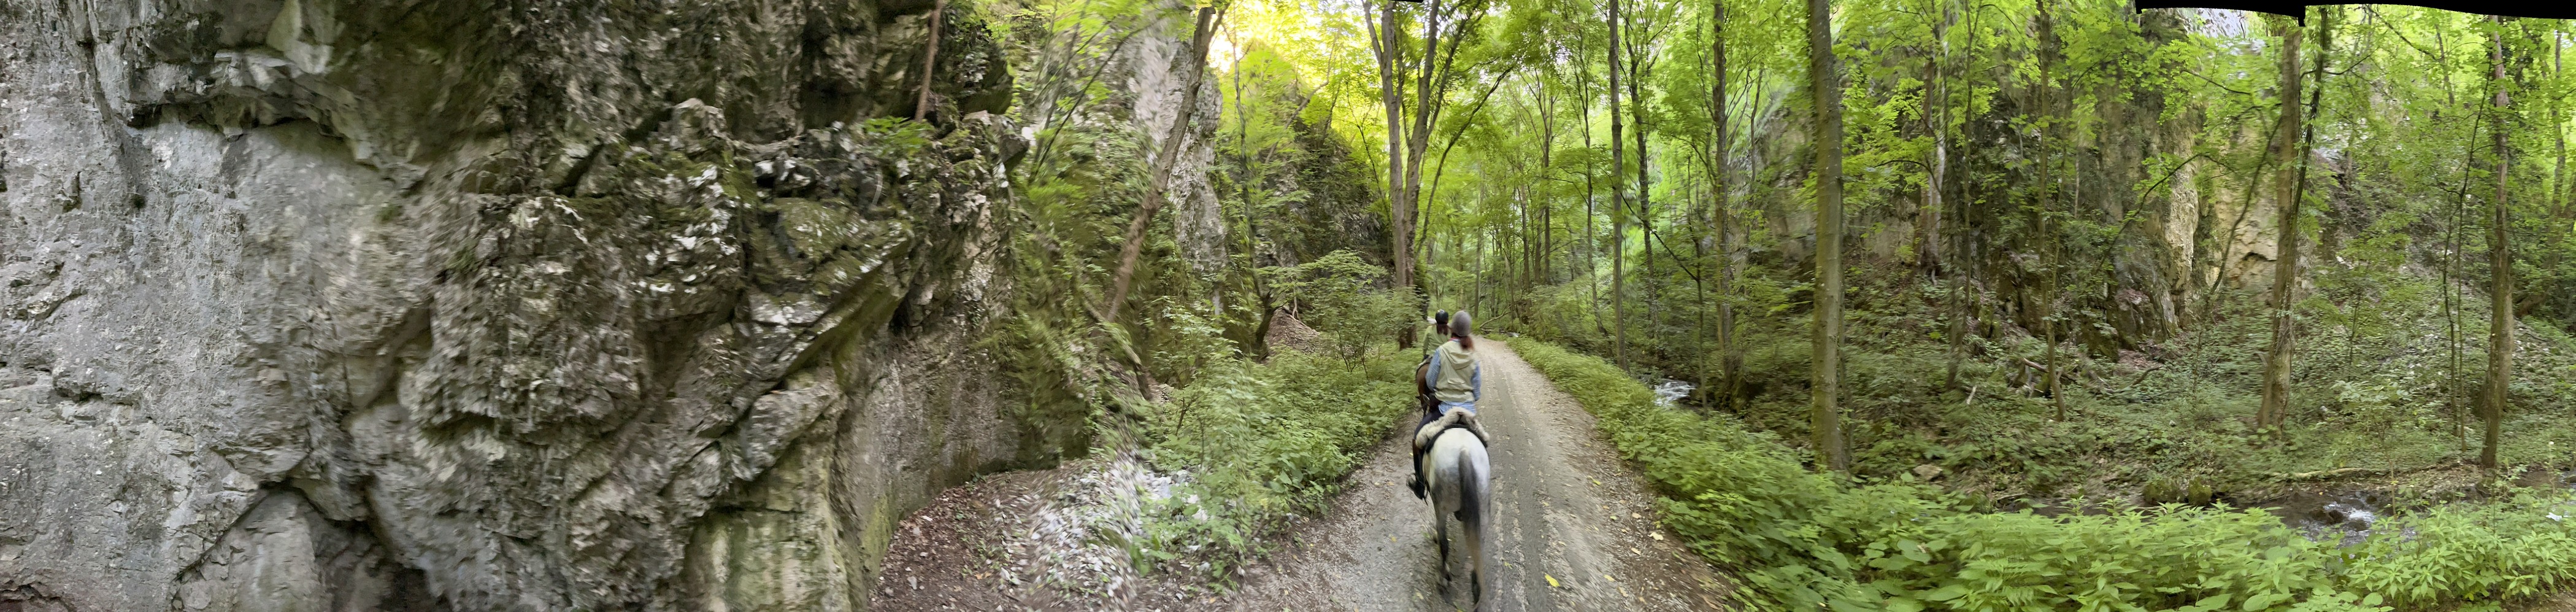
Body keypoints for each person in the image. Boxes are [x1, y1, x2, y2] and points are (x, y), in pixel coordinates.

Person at [1409, 310, 1489, 498]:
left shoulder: (1442, 351)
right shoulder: (1473, 357)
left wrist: (1443, 392)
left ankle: (1420, 484)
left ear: (1452, 328)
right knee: (1483, 444)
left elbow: (1429, 381)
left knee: (1417, 439)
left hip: (1444, 411)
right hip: (1468, 412)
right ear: (1468, 332)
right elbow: (1476, 394)